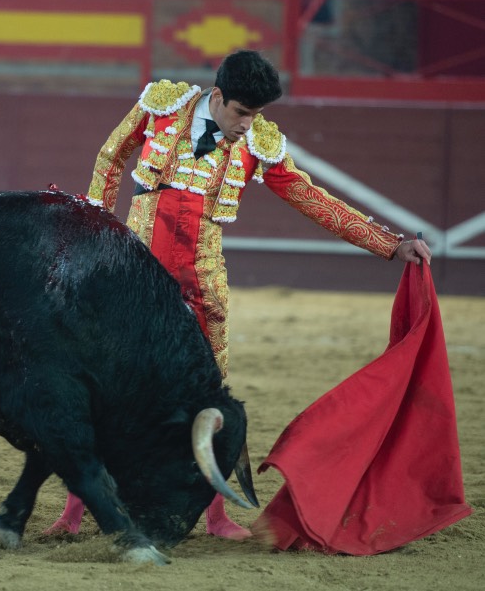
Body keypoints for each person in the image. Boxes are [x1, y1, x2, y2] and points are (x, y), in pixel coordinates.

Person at [45, 49, 432, 541]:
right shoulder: (161, 106)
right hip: (134, 271)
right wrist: (96, 232)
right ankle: (74, 514)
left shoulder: (259, 143)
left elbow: (311, 198)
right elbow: (110, 158)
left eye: (257, 114)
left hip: (202, 283)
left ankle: (217, 517)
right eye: (242, 113)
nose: (248, 125)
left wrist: (388, 244)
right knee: (102, 386)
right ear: (219, 96)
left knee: (211, 396)